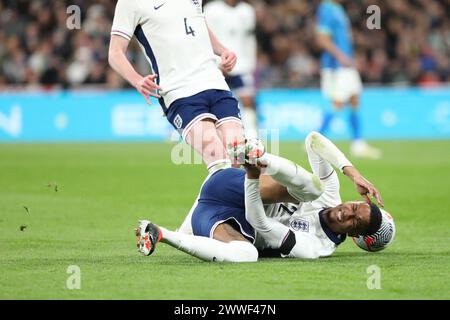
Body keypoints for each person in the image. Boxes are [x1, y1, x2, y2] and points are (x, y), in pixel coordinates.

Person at [135, 132, 392, 262]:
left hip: (223, 219)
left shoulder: (316, 247)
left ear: (354, 235)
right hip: (229, 186)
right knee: (313, 188)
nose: (347, 212)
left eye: (355, 222)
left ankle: (160, 233)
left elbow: (260, 224)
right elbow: (313, 140)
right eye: (356, 207)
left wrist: (252, 176)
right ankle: (257, 154)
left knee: (247, 254)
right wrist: (353, 173)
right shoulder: (331, 193)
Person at [108, 0, 245, 173]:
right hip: (178, 90)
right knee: (214, 152)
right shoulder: (131, 3)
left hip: (215, 81)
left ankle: (243, 199)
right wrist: (137, 79)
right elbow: (115, 53)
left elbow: (197, 22)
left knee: (238, 153)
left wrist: (222, 50)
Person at [316, 0, 381, 159]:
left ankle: (358, 144)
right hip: (337, 66)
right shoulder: (327, 8)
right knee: (339, 102)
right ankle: (316, 140)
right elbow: (322, 39)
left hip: (344, 64)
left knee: (354, 99)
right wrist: (341, 57)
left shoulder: (338, 9)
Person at [204, 0, 258, 138]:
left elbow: (250, 39)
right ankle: (211, 135)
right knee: (211, 101)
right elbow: (204, 37)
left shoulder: (247, 11)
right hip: (217, 64)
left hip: (241, 65)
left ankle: (252, 135)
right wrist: (216, 62)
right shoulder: (211, 10)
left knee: (247, 99)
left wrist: (251, 63)